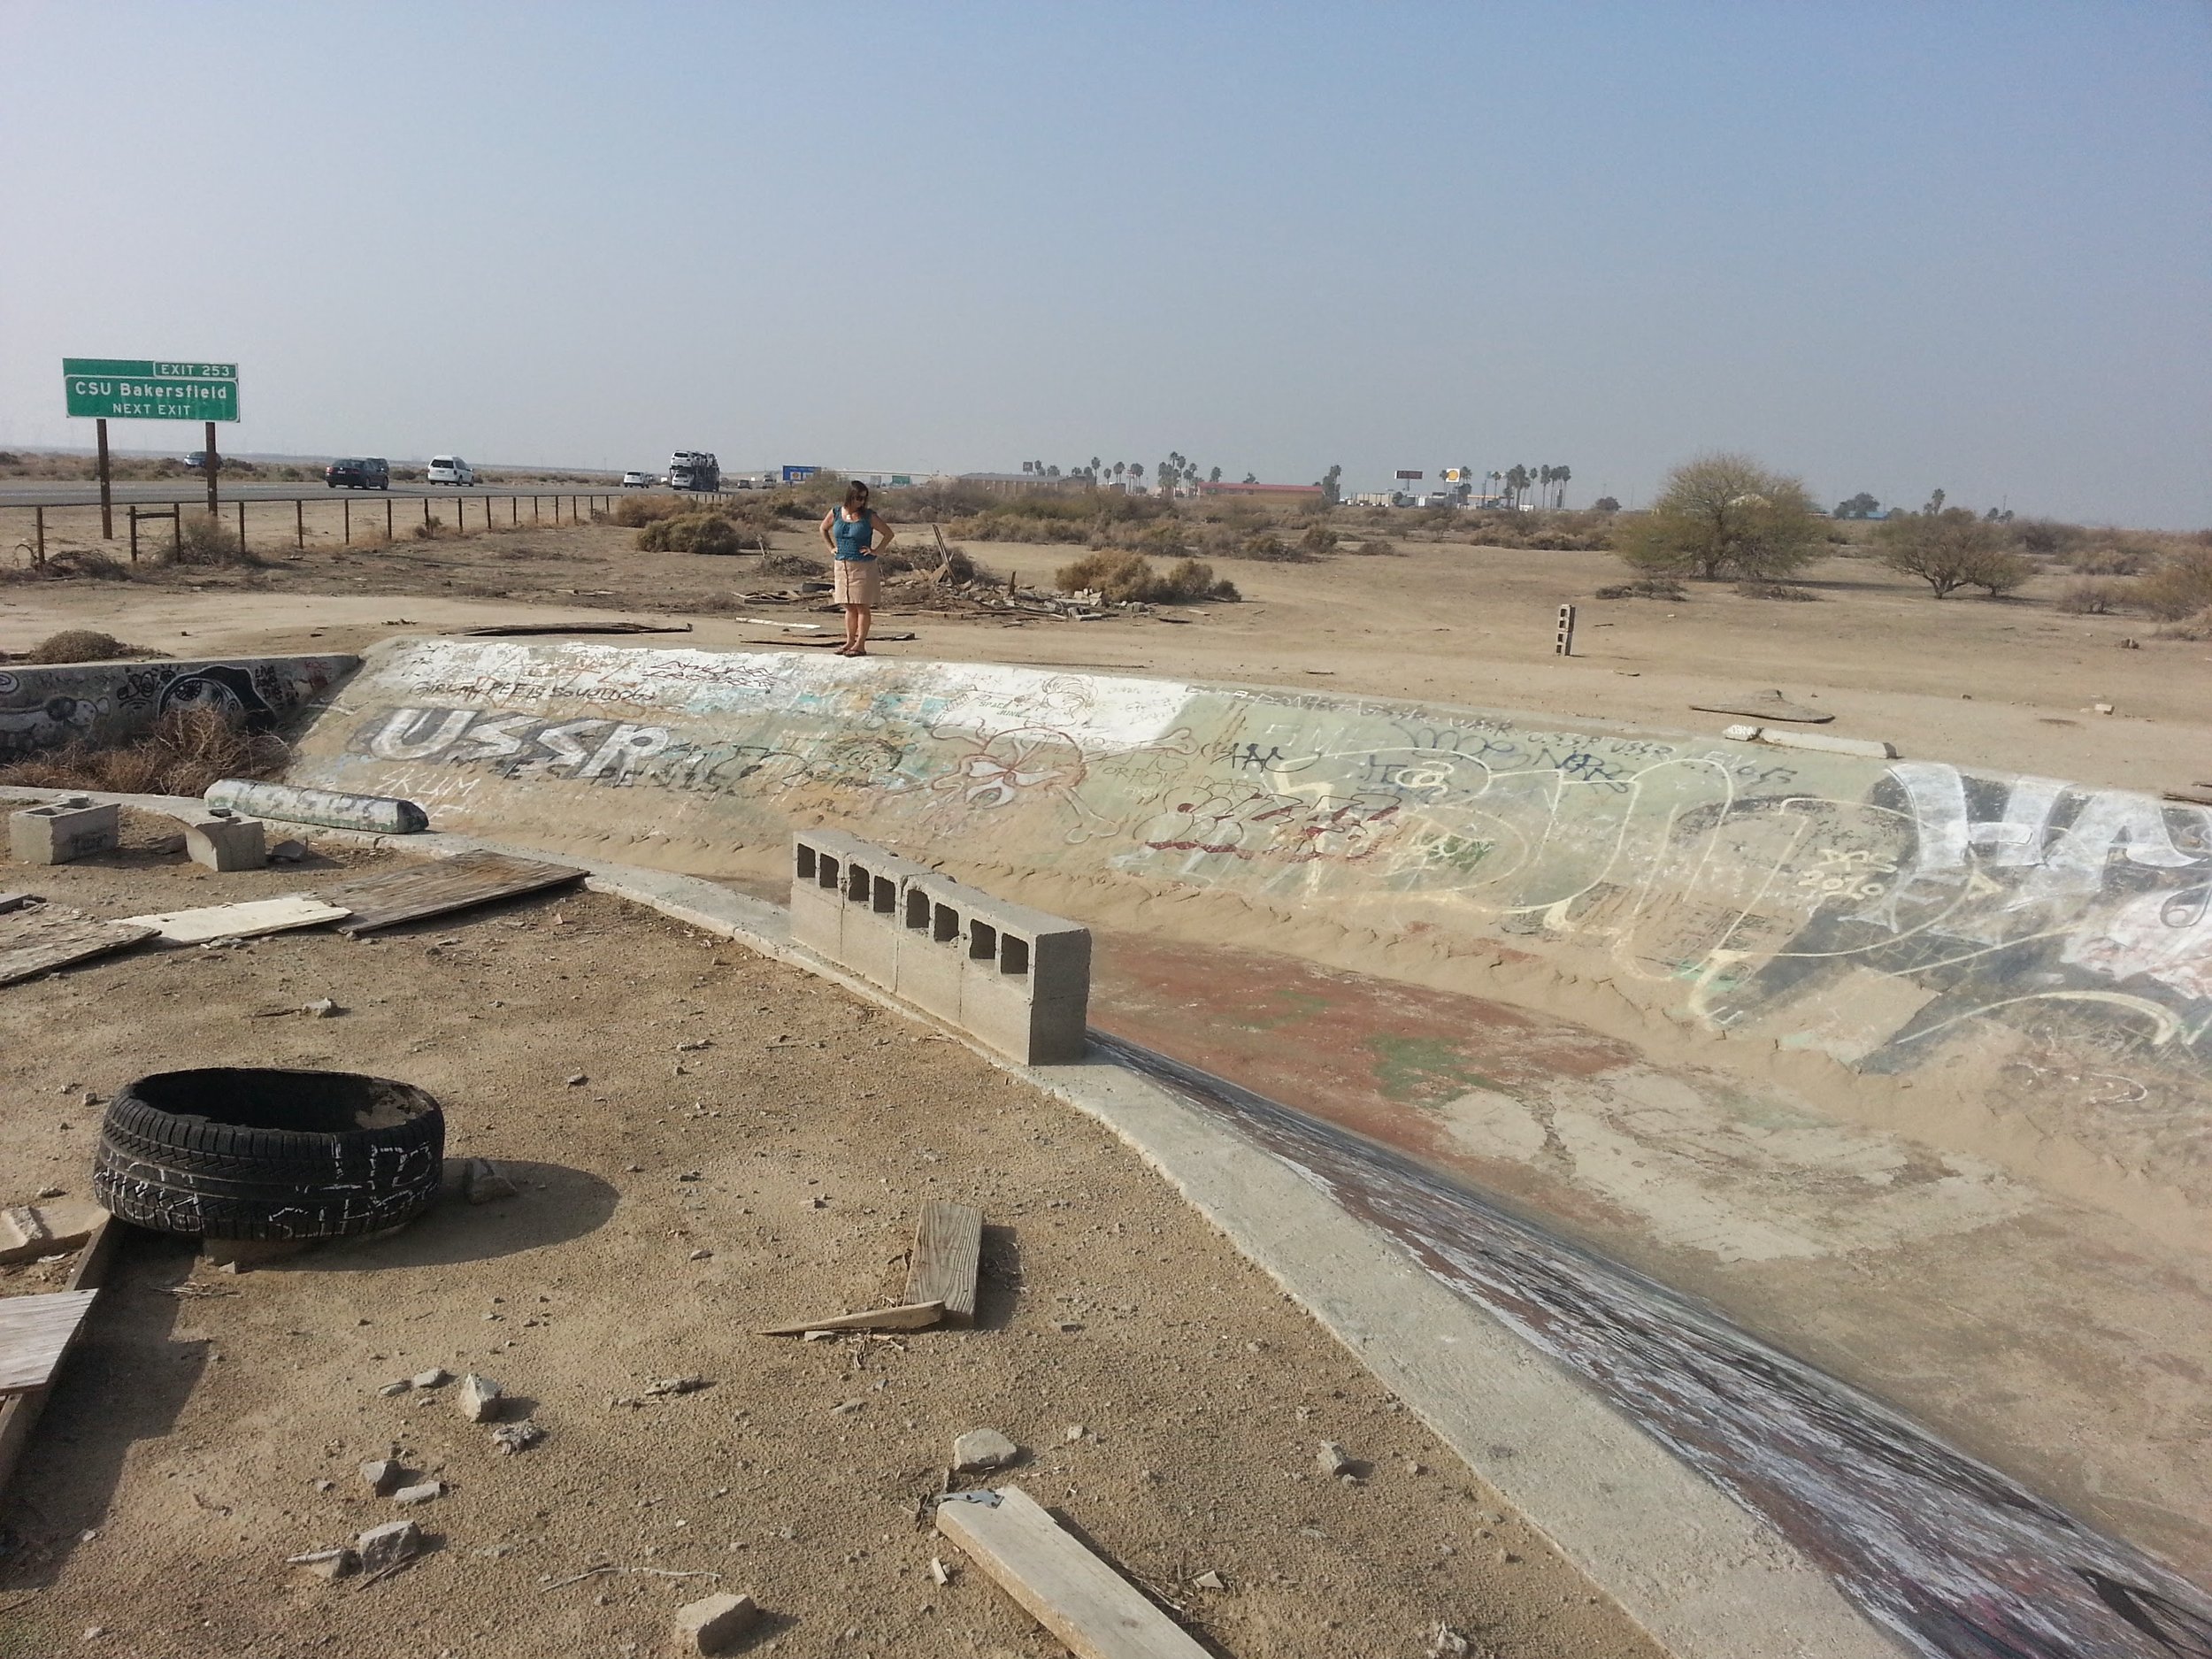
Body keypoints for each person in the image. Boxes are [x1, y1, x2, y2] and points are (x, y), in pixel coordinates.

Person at [818, 482, 895, 656]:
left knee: (861, 605)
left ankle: (860, 644)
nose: (861, 502)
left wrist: (877, 550)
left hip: (863, 566)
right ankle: (849, 641)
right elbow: (823, 528)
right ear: (850, 496)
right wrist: (831, 548)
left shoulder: (868, 516)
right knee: (848, 605)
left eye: (864, 498)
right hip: (842, 565)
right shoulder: (836, 512)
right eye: (858, 498)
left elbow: (888, 534)